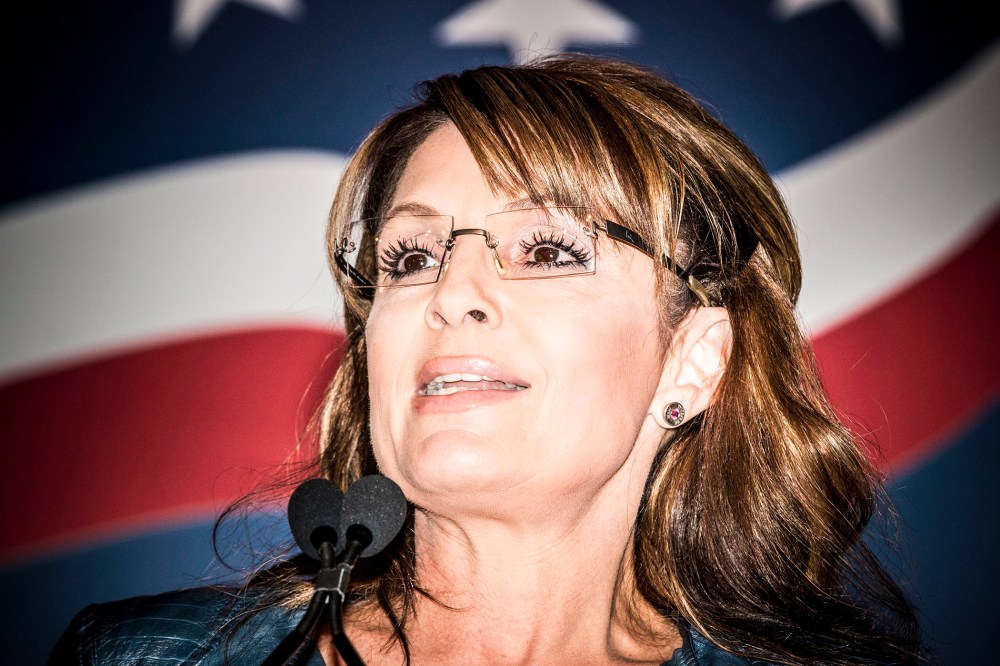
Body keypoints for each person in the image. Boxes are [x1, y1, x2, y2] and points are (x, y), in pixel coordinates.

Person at [49, 54, 922, 665]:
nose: (449, 291)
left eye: (545, 250)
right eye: (411, 257)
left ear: (693, 360)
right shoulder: (142, 656)